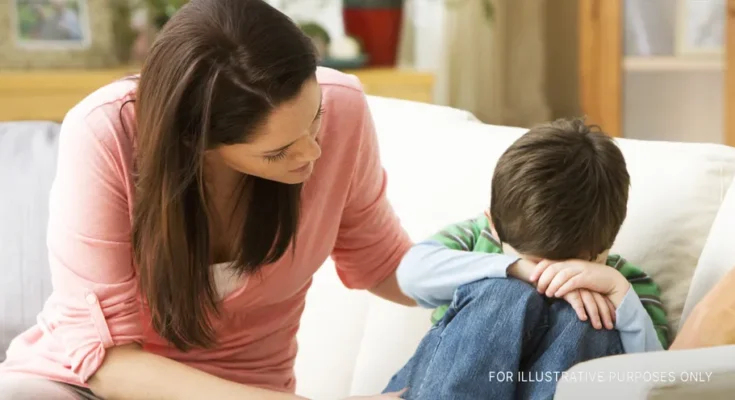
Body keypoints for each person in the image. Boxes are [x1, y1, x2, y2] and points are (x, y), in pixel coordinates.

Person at [0, 1, 414, 399]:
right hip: (80, 387)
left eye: (316, 118)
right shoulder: (105, 132)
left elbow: (382, 262)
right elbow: (108, 363)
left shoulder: (344, 106)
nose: (312, 153)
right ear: (196, 141)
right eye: (276, 152)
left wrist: (473, 273)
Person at [383, 119, 670, 399]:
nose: (551, 278)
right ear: (493, 224)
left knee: (588, 320)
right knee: (503, 292)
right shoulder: (477, 241)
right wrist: (514, 270)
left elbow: (659, 383)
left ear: (609, 242)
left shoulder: (624, 284)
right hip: (433, 386)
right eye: (536, 263)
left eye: (575, 268)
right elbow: (410, 274)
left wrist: (620, 294)